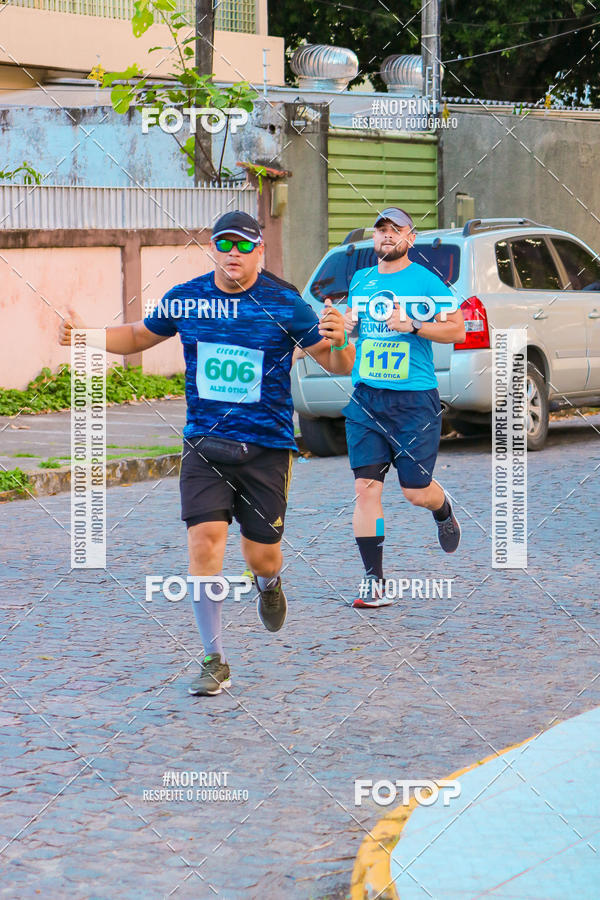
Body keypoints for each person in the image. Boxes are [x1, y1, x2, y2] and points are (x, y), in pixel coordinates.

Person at [59, 211, 355, 694]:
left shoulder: (286, 303)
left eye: (243, 245)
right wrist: (86, 339)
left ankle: (269, 584)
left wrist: (341, 341)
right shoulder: (188, 298)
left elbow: (337, 363)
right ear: (213, 249)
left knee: (261, 556)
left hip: (267, 448)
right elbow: (139, 334)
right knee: (204, 545)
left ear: (260, 251)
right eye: (225, 244)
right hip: (205, 445)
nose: (233, 253)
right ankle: (214, 657)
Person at [342, 207, 466, 609]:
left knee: (414, 491)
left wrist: (414, 324)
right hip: (367, 398)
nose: (387, 236)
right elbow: (352, 330)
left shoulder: (427, 282)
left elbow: (457, 329)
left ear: (410, 238)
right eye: (381, 230)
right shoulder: (361, 281)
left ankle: (442, 506)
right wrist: (343, 327)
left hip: (414, 400)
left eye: (396, 230)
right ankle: (374, 582)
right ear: (373, 239)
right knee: (365, 489)